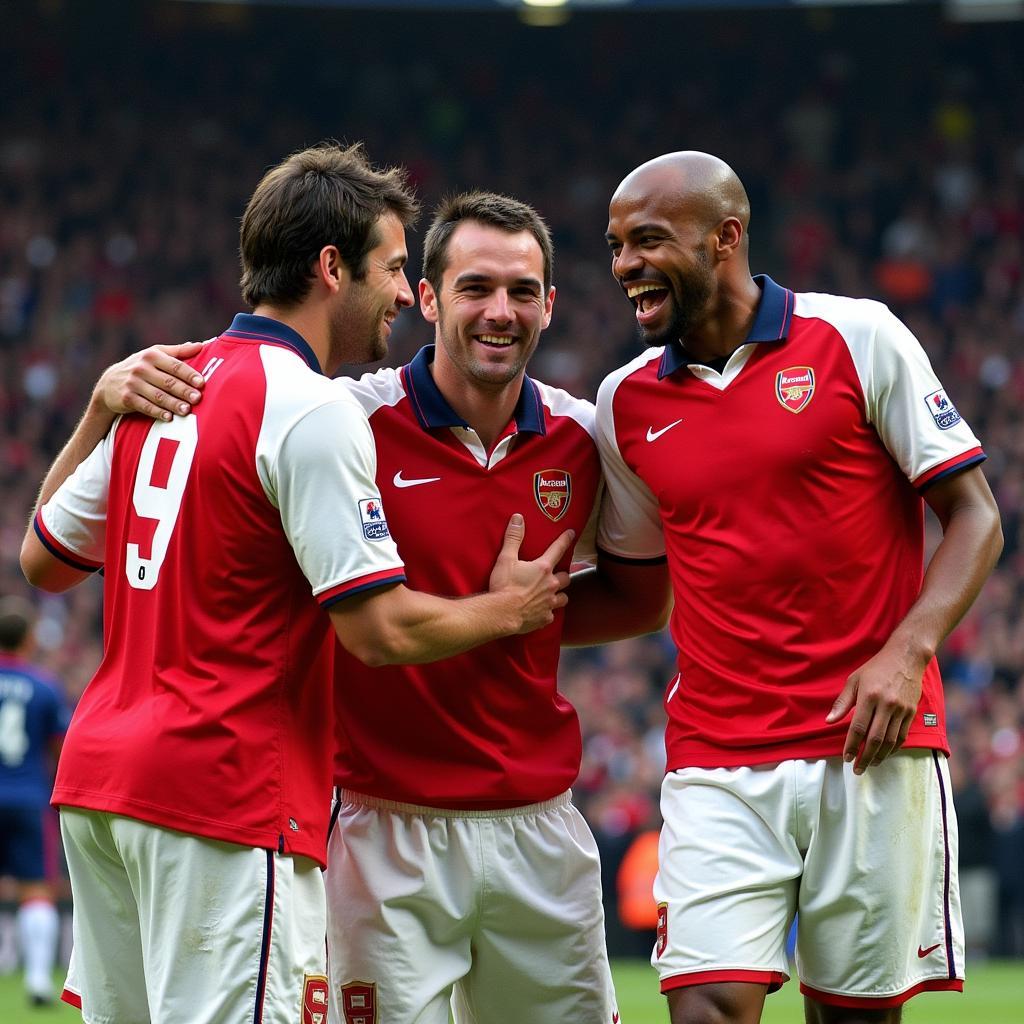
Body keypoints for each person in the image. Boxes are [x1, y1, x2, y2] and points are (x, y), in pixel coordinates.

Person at [19, 144, 573, 1024]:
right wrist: (511, 608)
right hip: (225, 791)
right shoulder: (312, 409)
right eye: (394, 268)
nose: (403, 293)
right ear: (330, 269)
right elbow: (377, 632)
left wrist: (97, 412)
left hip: (98, 788)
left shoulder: (172, 379)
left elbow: (42, 561)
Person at [100, 190, 672, 1024]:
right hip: (378, 826)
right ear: (429, 298)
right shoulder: (352, 421)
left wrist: (520, 615)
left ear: (551, 305)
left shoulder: (585, 440)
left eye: (522, 291)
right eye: (475, 288)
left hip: (538, 828)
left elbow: (639, 601)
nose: (499, 312)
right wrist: (109, 395)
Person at [570, 150, 1003, 1024]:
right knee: (705, 1009)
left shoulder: (859, 336)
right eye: (616, 246)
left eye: (648, 240)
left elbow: (976, 517)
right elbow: (641, 592)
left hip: (872, 743)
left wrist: (906, 653)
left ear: (725, 237)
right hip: (717, 756)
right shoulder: (623, 405)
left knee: (853, 1015)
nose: (625, 266)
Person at [0, 596, 69, 1008]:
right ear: (28, 641)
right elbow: (61, 747)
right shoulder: (44, 686)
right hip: (27, 799)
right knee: (36, 891)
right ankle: (40, 982)